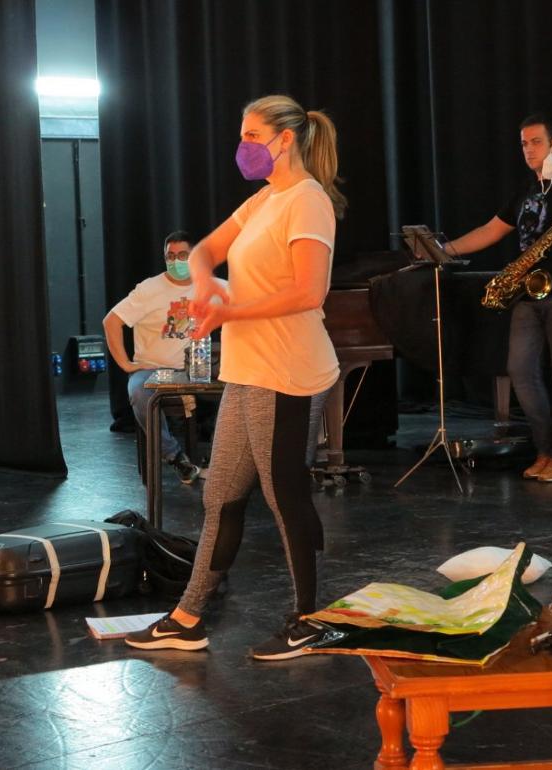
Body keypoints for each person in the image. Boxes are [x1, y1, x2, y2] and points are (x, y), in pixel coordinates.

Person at [125, 94, 344, 659]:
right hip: (248, 369)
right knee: (220, 496)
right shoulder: (263, 202)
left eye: (252, 136)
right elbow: (204, 251)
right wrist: (204, 286)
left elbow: (308, 291)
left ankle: (309, 620)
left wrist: (229, 310)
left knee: (284, 495)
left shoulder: (307, 201)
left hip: (288, 371)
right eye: (242, 135)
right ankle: (187, 618)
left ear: (285, 138)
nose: (243, 147)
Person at [442, 114, 552, 483]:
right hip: (528, 293)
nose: (528, 149)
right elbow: (492, 230)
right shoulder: (526, 190)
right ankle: (545, 451)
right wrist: (444, 251)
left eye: (536, 141)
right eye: (523, 143)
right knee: (521, 371)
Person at [103, 231, 229, 483]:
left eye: (182, 255)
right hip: (155, 368)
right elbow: (111, 321)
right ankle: (176, 458)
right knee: (139, 393)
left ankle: (218, 457)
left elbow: (247, 302)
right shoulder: (150, 289)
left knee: (242, 387)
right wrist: (126, 364)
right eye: (170, 256)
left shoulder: (212, 286)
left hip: (199, 366)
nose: (175, 261)